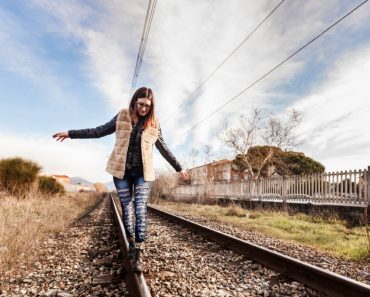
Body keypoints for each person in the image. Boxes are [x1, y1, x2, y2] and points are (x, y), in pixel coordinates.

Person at [53, 87, 189, 272]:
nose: (143, 109)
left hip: (142, 174)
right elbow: (98, 131)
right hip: (121, 172)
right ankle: (131, 241)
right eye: (140, 104)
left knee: (140, 207)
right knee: (127, 207)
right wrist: (71, 133)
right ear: (134, 102)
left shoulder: (154, 123)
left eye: (147, 106)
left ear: (152, 107)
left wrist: (179, 167)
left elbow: (163, 147)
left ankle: (139, 250)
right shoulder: (122, 116)